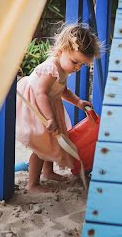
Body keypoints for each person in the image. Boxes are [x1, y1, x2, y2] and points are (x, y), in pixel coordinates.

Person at [16, 23, 102, 192]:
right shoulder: (51, 68)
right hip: (36, 105)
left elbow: (63, 91)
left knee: (51, 141)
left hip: (49, 103)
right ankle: (32, 184)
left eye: (82, 65)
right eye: (75, 62)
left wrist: (78, 102)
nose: (77, 68)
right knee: (42, 146)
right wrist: (50, 118)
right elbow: (41, 93)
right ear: (61, 51)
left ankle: (48, 172)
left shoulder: (63, 69)